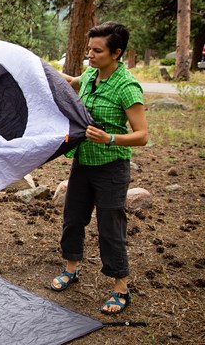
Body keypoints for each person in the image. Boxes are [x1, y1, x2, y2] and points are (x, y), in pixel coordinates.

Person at [50, 22, 148, 315]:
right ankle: (71, 269)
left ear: (116, 53)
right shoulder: (91, 73)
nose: (89, 55)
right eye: (89, 49)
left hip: (111, 168)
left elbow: (142, 135)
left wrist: (110, 138)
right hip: (83, 163)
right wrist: (40, 69)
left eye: (97, 50)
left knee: (109, 227)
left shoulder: (127, 87)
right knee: (73, 218)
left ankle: (121, 288)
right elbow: (71, 82)